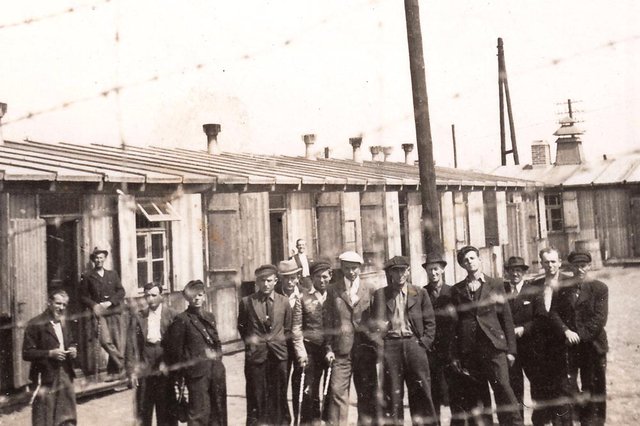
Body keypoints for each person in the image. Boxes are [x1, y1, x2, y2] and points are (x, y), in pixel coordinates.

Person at [448, 246, 523, 426]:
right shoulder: (457, 290)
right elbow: (455, 325)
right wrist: (456, 355)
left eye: (473, 258)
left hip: (494, 347)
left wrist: (511, 350)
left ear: (479, 260)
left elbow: (506, 317)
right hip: (470, 351)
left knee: (504, 389)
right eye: (466, 260)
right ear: (462, 265)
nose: (470, 262)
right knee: (478, 395)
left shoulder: (495, 284)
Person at [373, 256, 437, 425]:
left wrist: (424, 343)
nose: (400, 274)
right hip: (391, 347)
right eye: (395, 271)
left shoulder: (420, 293)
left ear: (408, 272)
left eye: (403, 270)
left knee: (421, 390)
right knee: (392, 393)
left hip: (414, 344)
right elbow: (374, 323)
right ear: (390, 274)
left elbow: (430, 322)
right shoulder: (381, 295)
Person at [323, 251, 377, 425]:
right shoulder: (333, 290)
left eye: (354, 268)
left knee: (367, 394)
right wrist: (329, 348)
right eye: (347, 268)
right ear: (342, 268)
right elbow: (328, 322)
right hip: (341, 351)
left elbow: (376, 319)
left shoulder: (370, 289)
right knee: (337, 392)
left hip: (365, 350)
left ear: (360, 268)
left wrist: (376, 344)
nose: (351, 272)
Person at [164, 280, 227, 426]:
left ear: (204, 296)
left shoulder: (209, 316)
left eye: (200, 295)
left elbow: (216, 341)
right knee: (198, 415)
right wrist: (180, 377)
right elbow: (176, 352)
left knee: (218, 412)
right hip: (197, 375)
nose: (197, 298)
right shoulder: (182, 319)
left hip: (215, 372)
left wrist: (218, 361)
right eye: (193, 296)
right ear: (187, 298)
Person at [557, 251, 608, 426]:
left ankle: (595, 421)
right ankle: (581, 414)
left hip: (593, 345)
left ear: (589, 266)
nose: (580, 269)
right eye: (576, 266)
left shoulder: (600, 288)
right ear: (571, 268)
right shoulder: (564, 289)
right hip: (571, 346)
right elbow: (557, 313)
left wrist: (580, 335)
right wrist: (565, 331)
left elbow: (599, 319)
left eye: (583, 265)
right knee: (569, 384)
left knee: (593, 385)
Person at [238, 265, 292, 426]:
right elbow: (242, 327)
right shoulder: (247, 302)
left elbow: (287, 328)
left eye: (269, 280)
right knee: (257, 396)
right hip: (256, 356)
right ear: (257, 282)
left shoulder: (284, 302)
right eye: (262, 280)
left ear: (275, 281)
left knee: (279, 395)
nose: (266, 284)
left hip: (279, 355)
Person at [530, 247, 573, 426]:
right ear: (541, 264)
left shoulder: (569, 282)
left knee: (562, 388)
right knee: (540, 388)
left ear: (560, 262)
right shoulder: (535, 284)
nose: (550, 265)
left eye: (553, 261)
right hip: (541, 345)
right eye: (546, 262)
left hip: (562, 343)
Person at [23, 289, 78, 426]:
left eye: (64, 305)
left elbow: (70, 341)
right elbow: (27, 353)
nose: (61, 308)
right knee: (45, 417)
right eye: (58, 303)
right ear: (49, 303)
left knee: (67, 416)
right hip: (46, 376)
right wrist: (49, 354)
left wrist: (73, 349)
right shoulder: (35, 324)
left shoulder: (64, 322)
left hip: (65, 374)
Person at [130, 282, 178, 426]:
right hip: (146, 362)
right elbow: (132, 346)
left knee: (166, 409)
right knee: (144, 408)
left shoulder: (172, 315)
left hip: (164, 362)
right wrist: (133, 370)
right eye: (147, 296)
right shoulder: (139, 316)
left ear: (161, 296)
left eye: (154, 295)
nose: (150, 299)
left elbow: (177, 345)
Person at [503, 256, 543, 422]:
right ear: (507, 272)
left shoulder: (533, 291)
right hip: (510, 347)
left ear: (524, 272)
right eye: (512, 270)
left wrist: (524, 329)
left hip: (529, 345)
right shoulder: (502, 291)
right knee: (514, 384)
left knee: (536, 383)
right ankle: (517, 420)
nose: (515, 274)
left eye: (519, 270)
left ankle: (538, 420)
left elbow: (540, 318)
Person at [421, 252, 458, 425]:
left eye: (436, 269)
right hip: (431, 352)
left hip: (451, 350)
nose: (433, 273)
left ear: (442, 270)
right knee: (433, 393)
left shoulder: (452, 292)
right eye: (430, 270)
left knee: (454, 393)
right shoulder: (422, 293)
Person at [79, 246, 126, 378]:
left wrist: (110, 302)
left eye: (101, 257)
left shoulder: (113, 274)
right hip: (99, 313)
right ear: (93, 260)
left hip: (114, 311)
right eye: (96, 258)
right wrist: (94, 305)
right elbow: (83, 296)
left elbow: (121, 291)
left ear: (105, 258)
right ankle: (123, 365)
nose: (99, 260)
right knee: (105, 341)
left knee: (117, 342)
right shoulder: (88, 276)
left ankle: (115, 372)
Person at [297, 260, 332, 425]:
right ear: (311, 278)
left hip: (332, 348)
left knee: (331, 388)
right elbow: (297, 326)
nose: (322, 280)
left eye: (325, 276)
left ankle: (328, 421)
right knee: (310, 390)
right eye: (317, 277)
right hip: (311, 346)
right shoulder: (304, 297)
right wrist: (302, 350)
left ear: (330, 275)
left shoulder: (335, 295)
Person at [275, 259, 307, 425]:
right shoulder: (274, 294)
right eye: (285, 278)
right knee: (280, 386)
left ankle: (299, 420)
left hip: (301, 345)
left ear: (298, 277)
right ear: (280, 279)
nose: (289, 281)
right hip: (281, 347)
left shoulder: (305, 293)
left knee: (300, 384)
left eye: (292, 277)